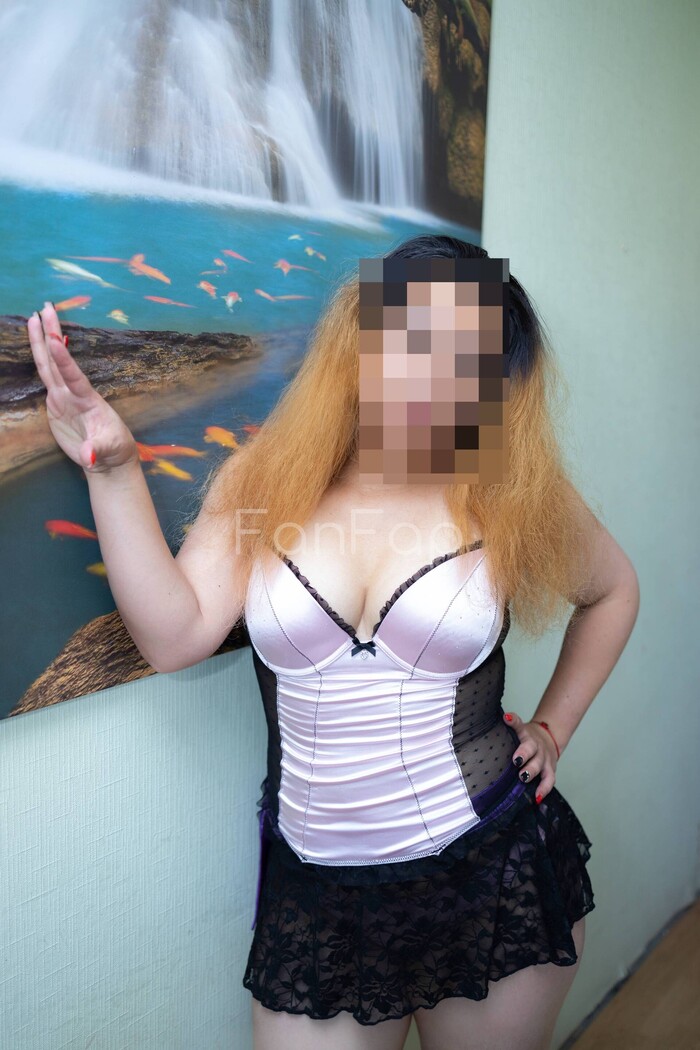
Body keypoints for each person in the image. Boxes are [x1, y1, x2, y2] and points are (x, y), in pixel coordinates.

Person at [27, 235, 639, 1050]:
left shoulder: (512, 490)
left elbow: (612, 591)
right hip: (316, 898)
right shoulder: (264, 479)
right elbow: (175, 637)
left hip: (490, 871)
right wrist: (113, 469)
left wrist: (555, 727)